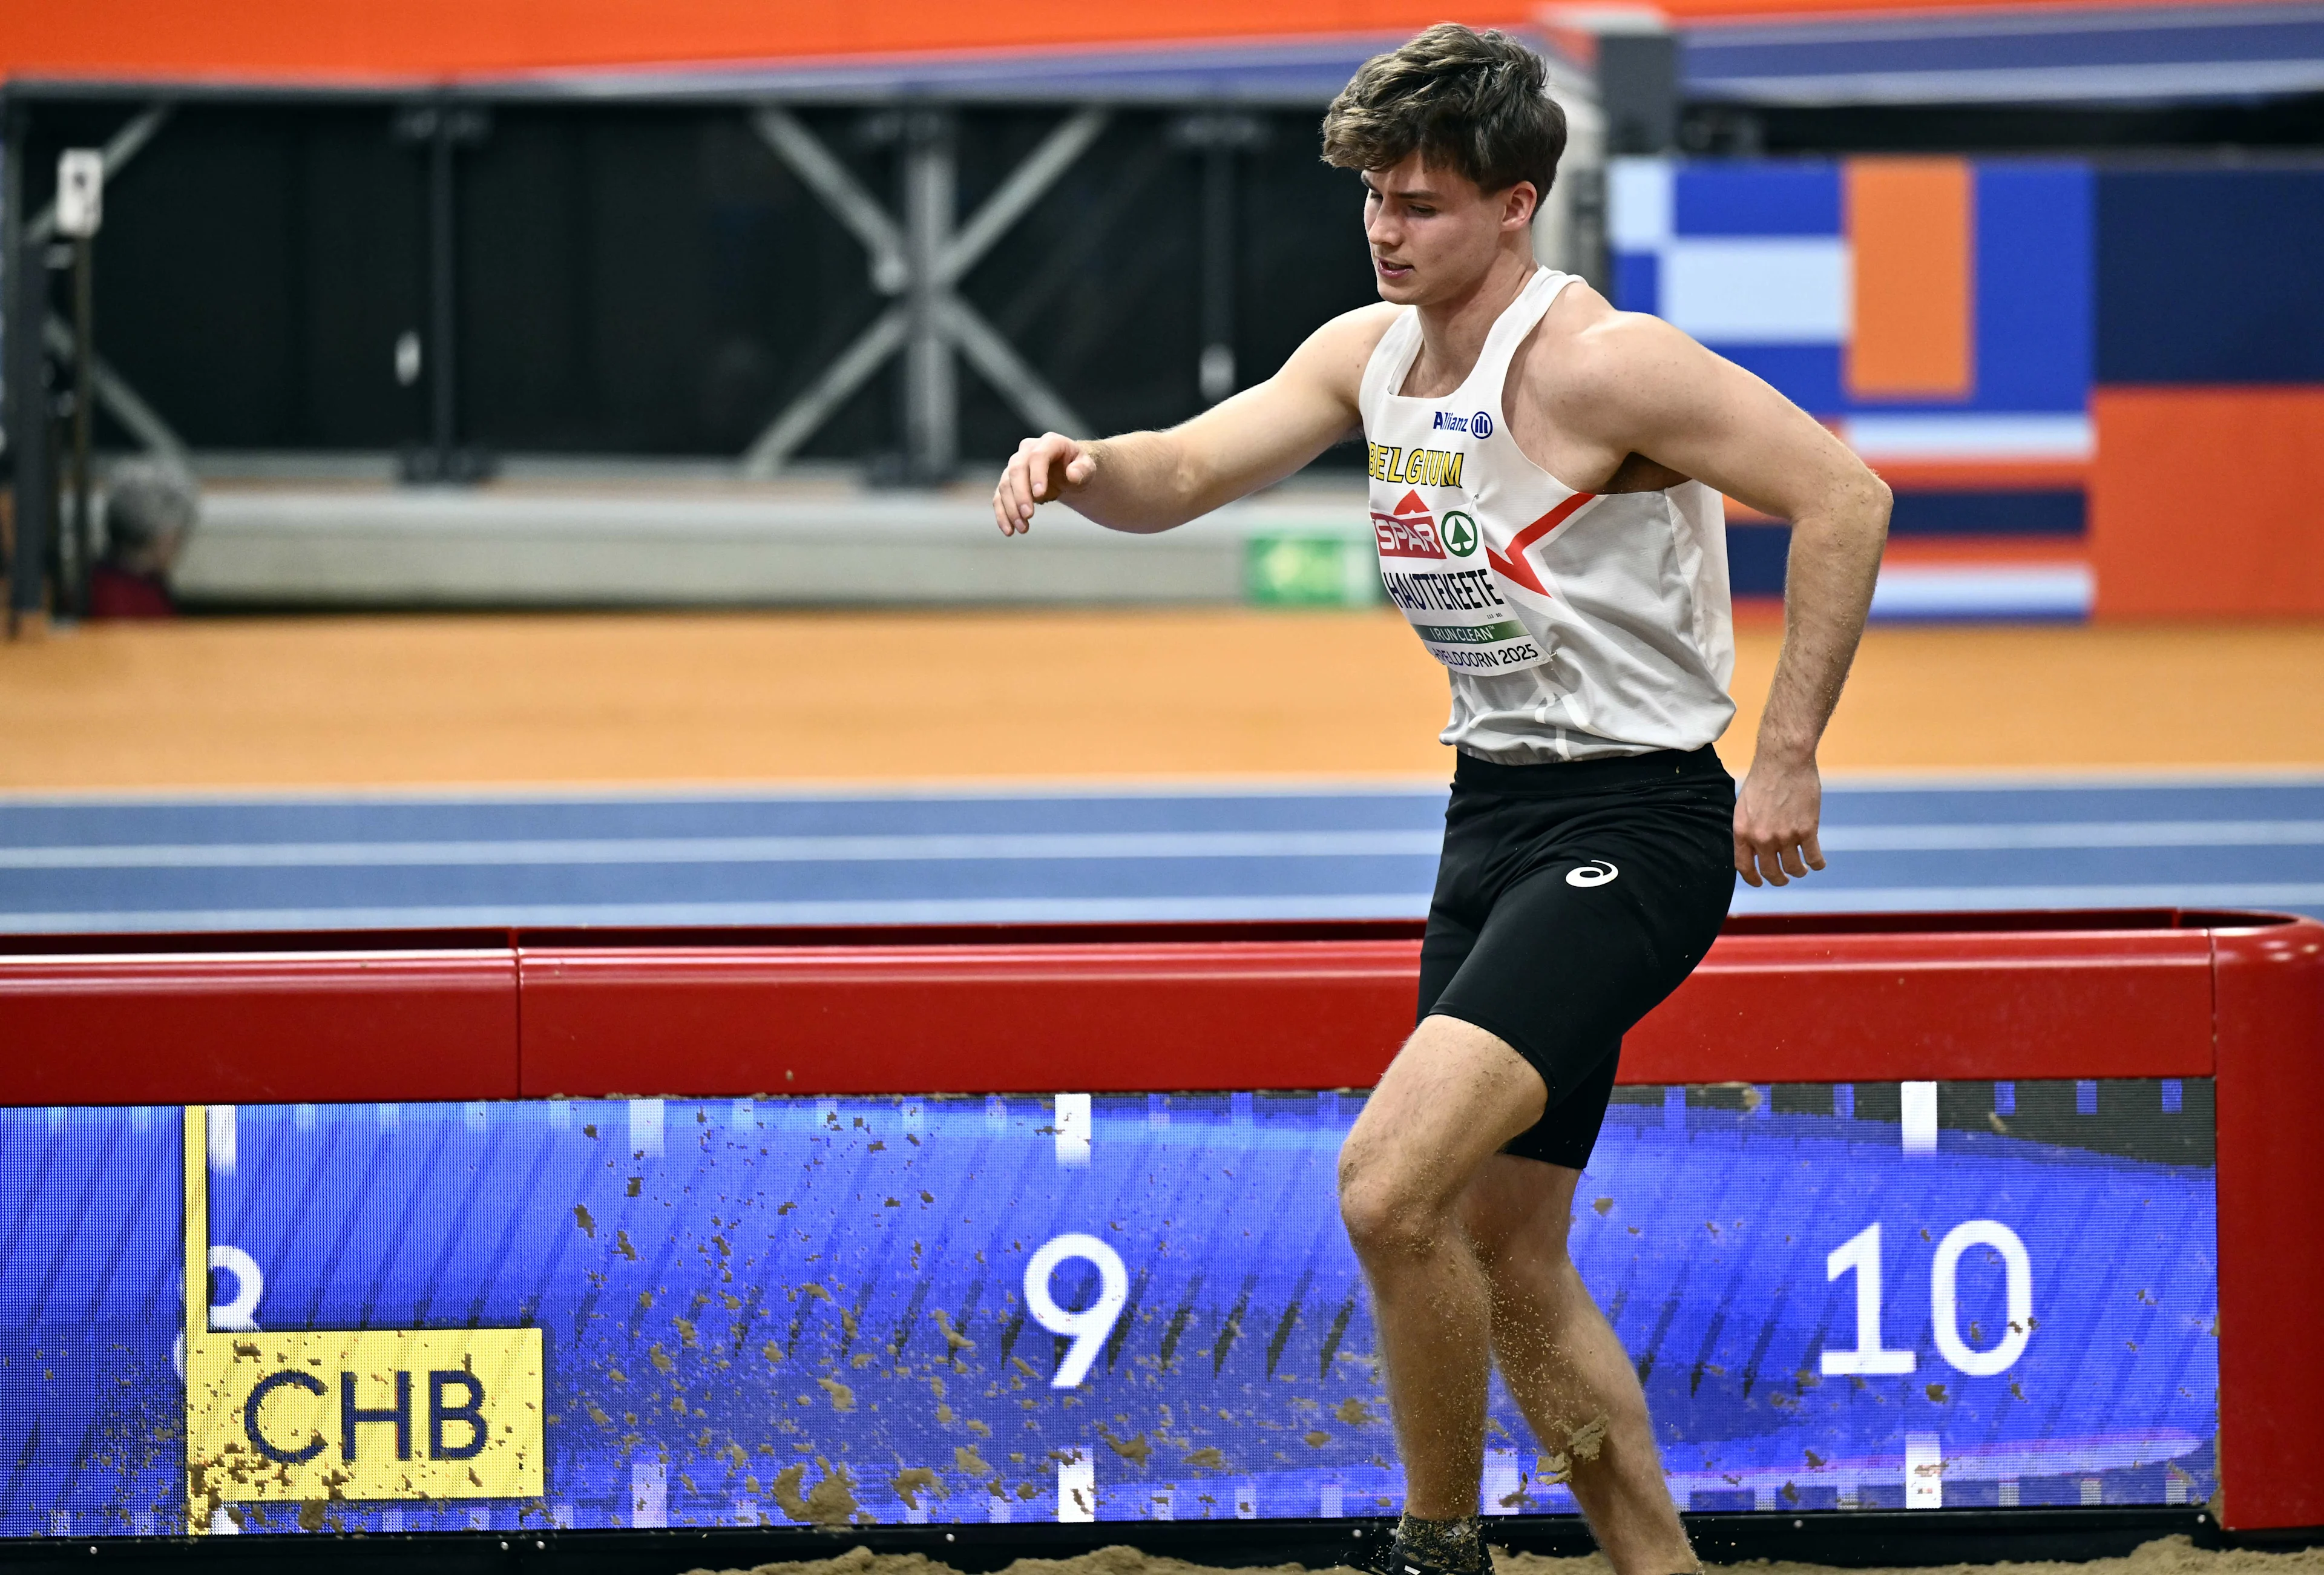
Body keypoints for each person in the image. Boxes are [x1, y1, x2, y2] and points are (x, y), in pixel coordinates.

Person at [992, 24, 1888, 1575]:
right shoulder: (1370, 352)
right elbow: (1185, 472)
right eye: (1371, 202)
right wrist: (1084, 468)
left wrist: (1790, 746)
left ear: (1515, 204)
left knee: (1386, 1181)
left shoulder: (1602, 361)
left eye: (1417, 204)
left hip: (1636, 826)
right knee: (1506, 1249)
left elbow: (1842, 494)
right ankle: (1657, 1563)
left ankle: (1435, 1541)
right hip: (1486, 822)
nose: (1384, 230)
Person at [88, 459, 199, 620]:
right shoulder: (126, 604)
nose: (180, 547)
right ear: (164, 537)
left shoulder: (101, 583)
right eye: (179, 535)